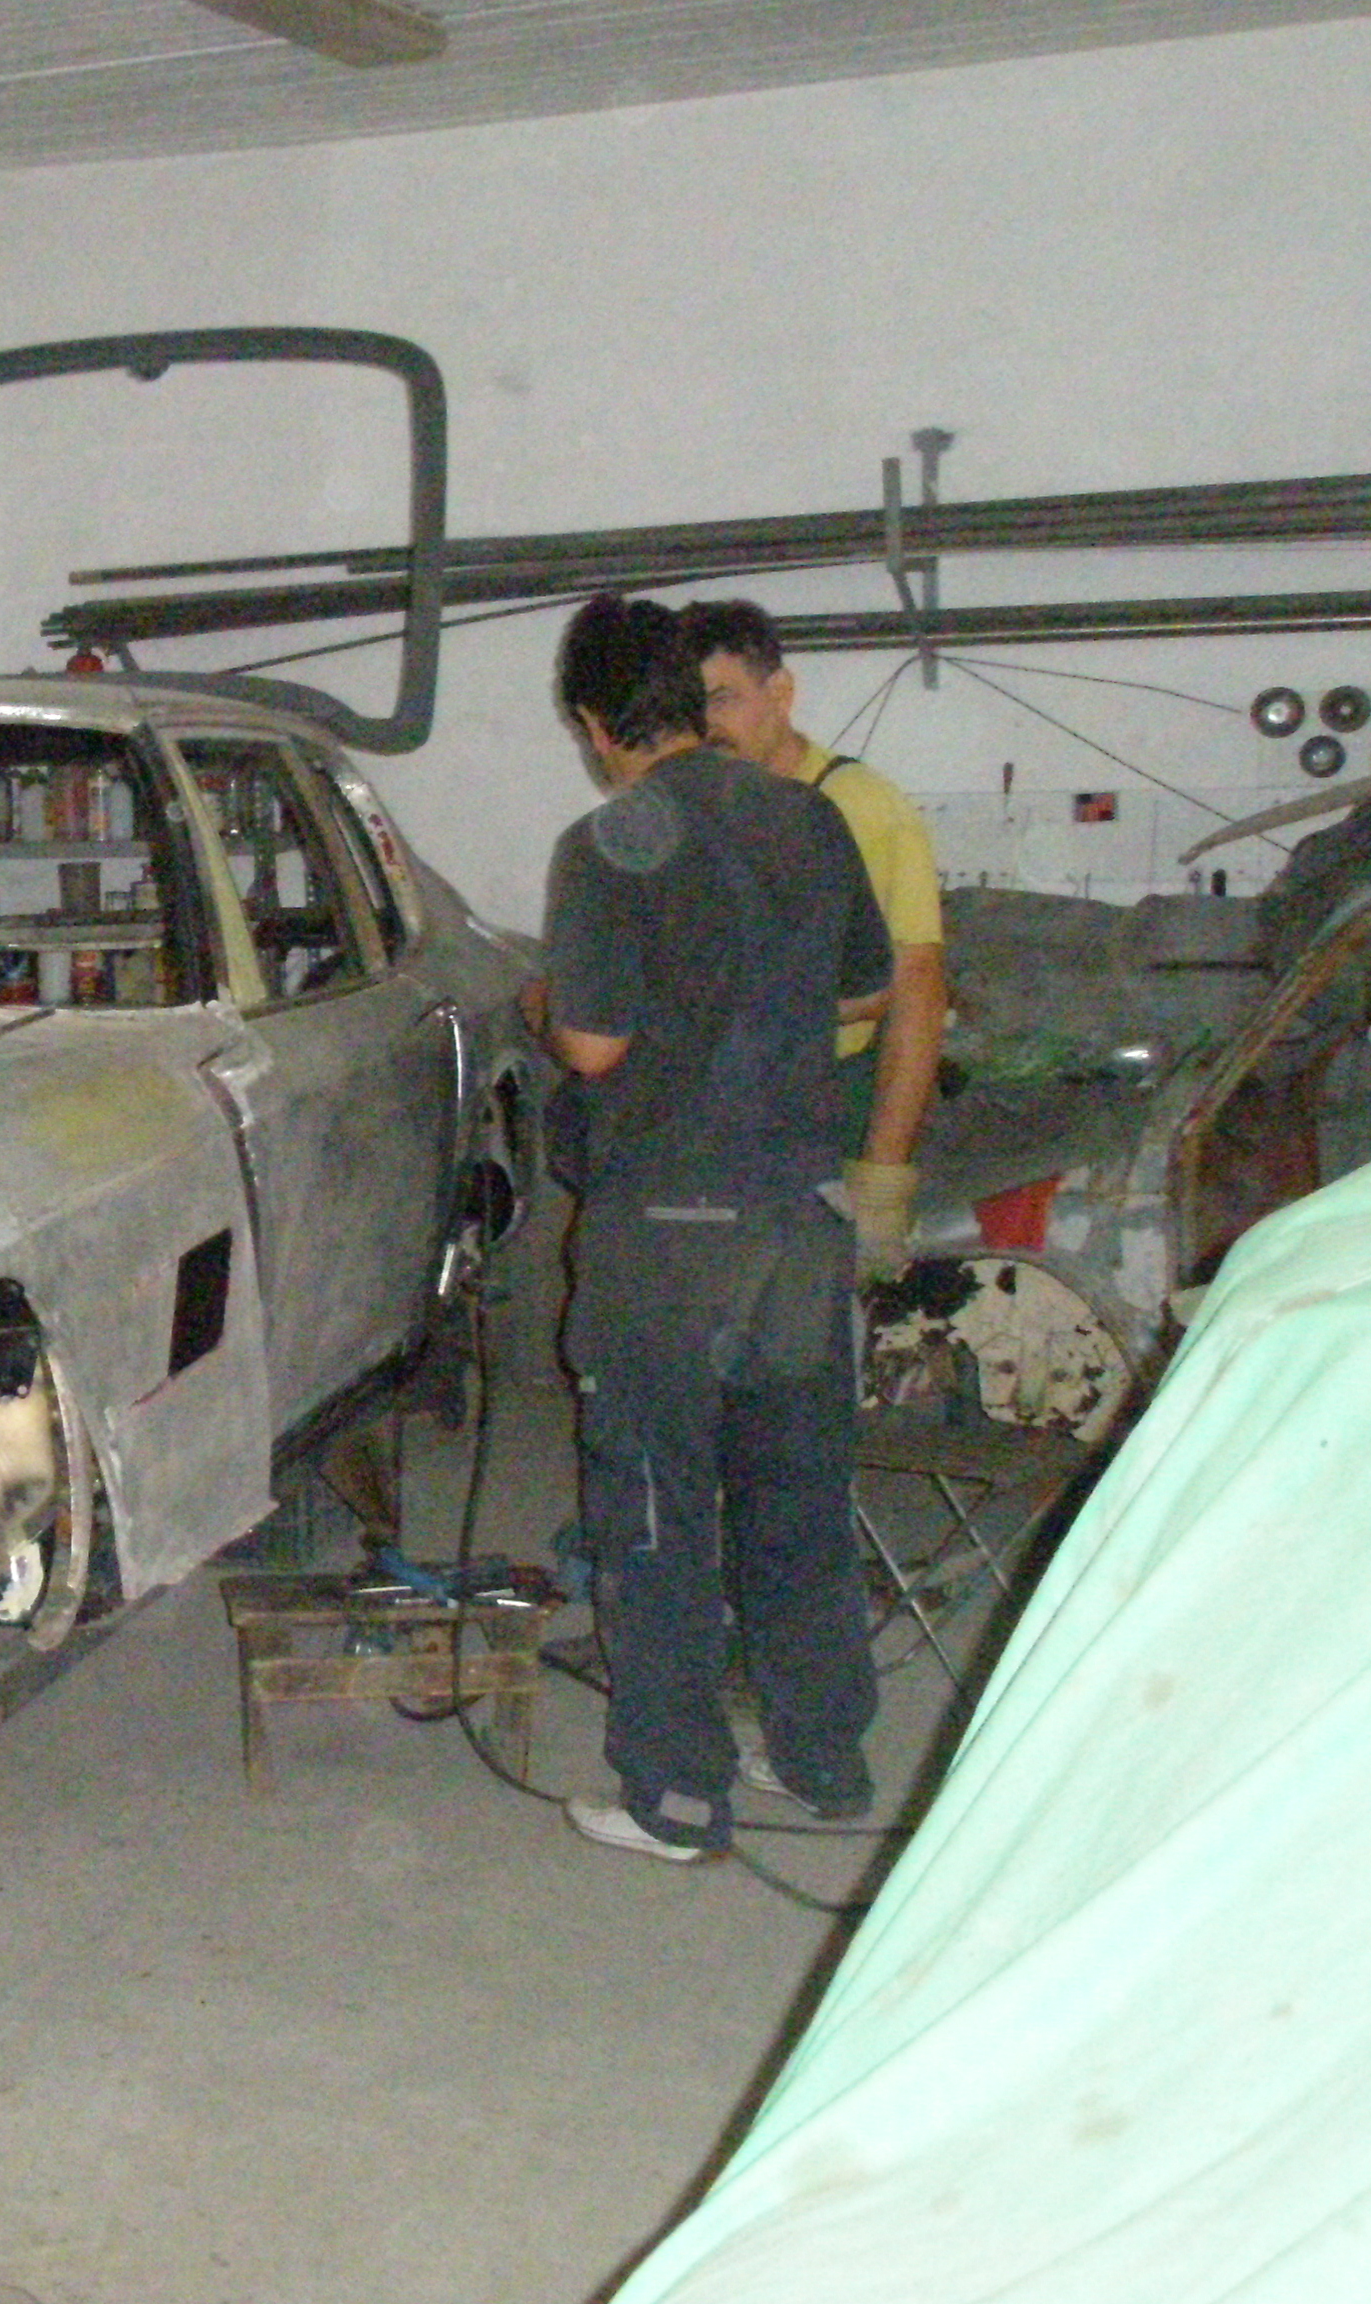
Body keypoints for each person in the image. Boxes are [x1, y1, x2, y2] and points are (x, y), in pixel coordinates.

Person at [537, 596, 893, 1860]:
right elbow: (867, 987)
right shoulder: (808, 817)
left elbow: (593, 1045)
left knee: (656, 1511)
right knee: (798, 1499)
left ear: (597, 725)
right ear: (695, 698)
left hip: (668, 1233)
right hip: (797, 1217)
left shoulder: (609, 842)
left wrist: (548, 1005)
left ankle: (678, 1797)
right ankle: (822, 1758)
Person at [680, 599, 946, 1280]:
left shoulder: (861, 807)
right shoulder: (691, 810)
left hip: (827, 1113)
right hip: (717, 1120)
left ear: (781, 692)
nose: (708, 725)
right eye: (691, 706)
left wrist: (882, 1180)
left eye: (724, 699)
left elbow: (916, 989)